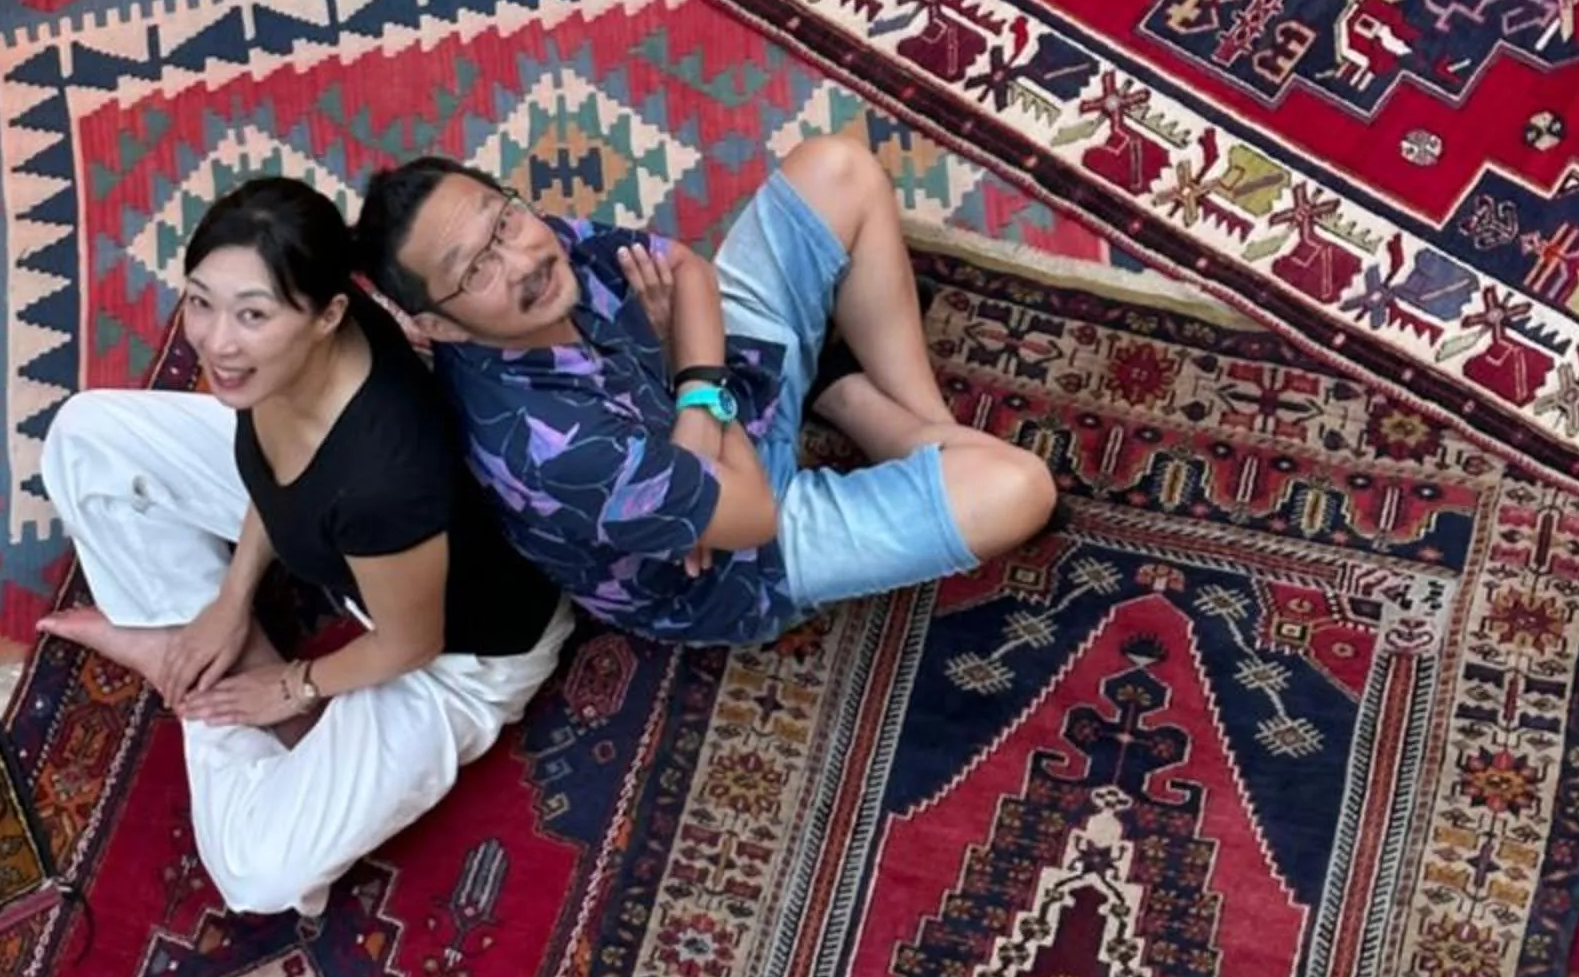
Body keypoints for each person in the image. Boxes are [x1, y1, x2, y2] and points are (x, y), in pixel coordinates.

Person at [38, 175, 572, 918]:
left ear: (329, 316)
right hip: (348, 545)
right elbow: (274, 472)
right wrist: (229, 603)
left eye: (252, 315)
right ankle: (195, 640)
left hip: (457, 654)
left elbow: (411, 644)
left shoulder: (382, 479)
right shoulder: (285, 358)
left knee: (254, 873)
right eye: (200, 301)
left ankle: (197, 686)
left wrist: (292, 686)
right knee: (83, 436)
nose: (217, 343)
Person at [354, 131, 1057, 649]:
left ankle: (917, 426)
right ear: (435, 326)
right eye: (475, 269)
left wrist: (690, 384)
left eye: (503, 220)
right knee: (1019, 487)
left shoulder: (528, 244)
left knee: (838, 168)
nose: (522, 260)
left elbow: (686, 270)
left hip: (711, 396)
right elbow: (749, 514)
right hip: (734, 565)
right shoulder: (549, 450)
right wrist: (693, 383)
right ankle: (861, 406)